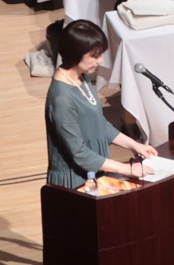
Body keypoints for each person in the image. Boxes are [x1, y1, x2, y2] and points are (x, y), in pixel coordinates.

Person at [42, 18, 157, 188]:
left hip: (96, 168)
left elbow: (99, 123)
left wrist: (134, 145)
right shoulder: (61, 98)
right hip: (76, 180)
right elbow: (79, 153)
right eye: (95, 56)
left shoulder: (81, 77)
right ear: (75, 53)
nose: (101, 60)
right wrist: (126, 169)